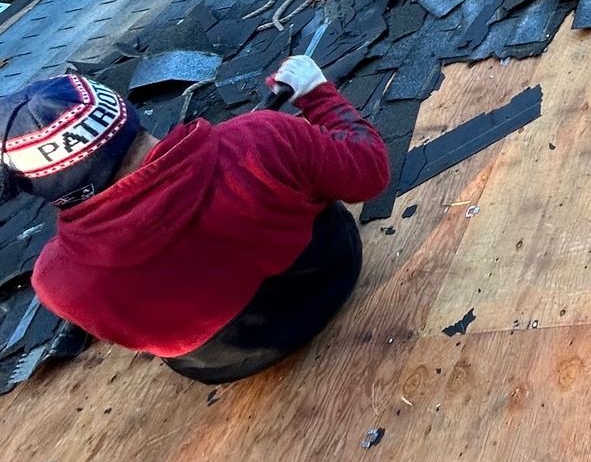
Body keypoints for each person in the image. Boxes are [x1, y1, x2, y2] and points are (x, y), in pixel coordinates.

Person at [2, 56, 390, 384]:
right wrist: (318, 93)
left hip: (222, 364)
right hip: (334, 274)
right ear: (122, 113)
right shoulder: (262, 138)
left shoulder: (56, 281)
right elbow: (371, 171)